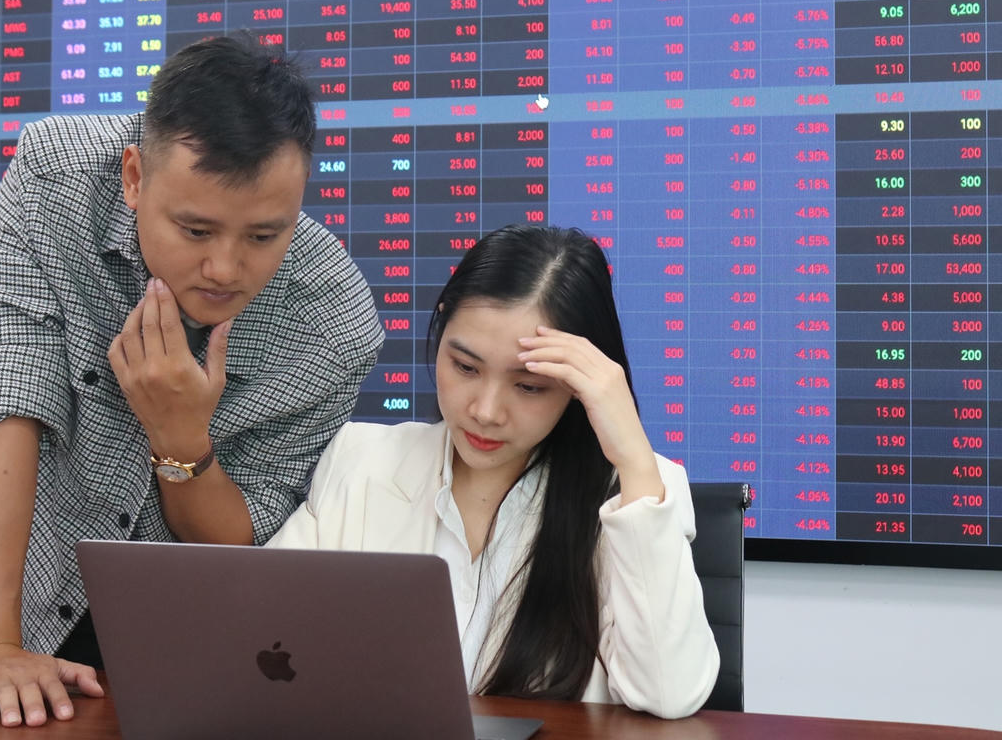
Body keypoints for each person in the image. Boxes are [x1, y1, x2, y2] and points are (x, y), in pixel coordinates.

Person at [0, 32, 382, 727]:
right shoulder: (53, 184)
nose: (225, 269)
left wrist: (180, 438)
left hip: (215, 652)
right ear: (134, 177)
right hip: (39, 610)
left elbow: (244, 542)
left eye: (264, 236)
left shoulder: (331, 322)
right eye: (196, 230)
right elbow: (7, 394)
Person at [269, 224, 719, 719]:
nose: (485, 411)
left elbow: (668, 695)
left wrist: (632, 456)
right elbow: (261, 635)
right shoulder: (362, 458)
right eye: (465, 367)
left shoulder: (638, 491)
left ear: (581, 387)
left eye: (529, 387)